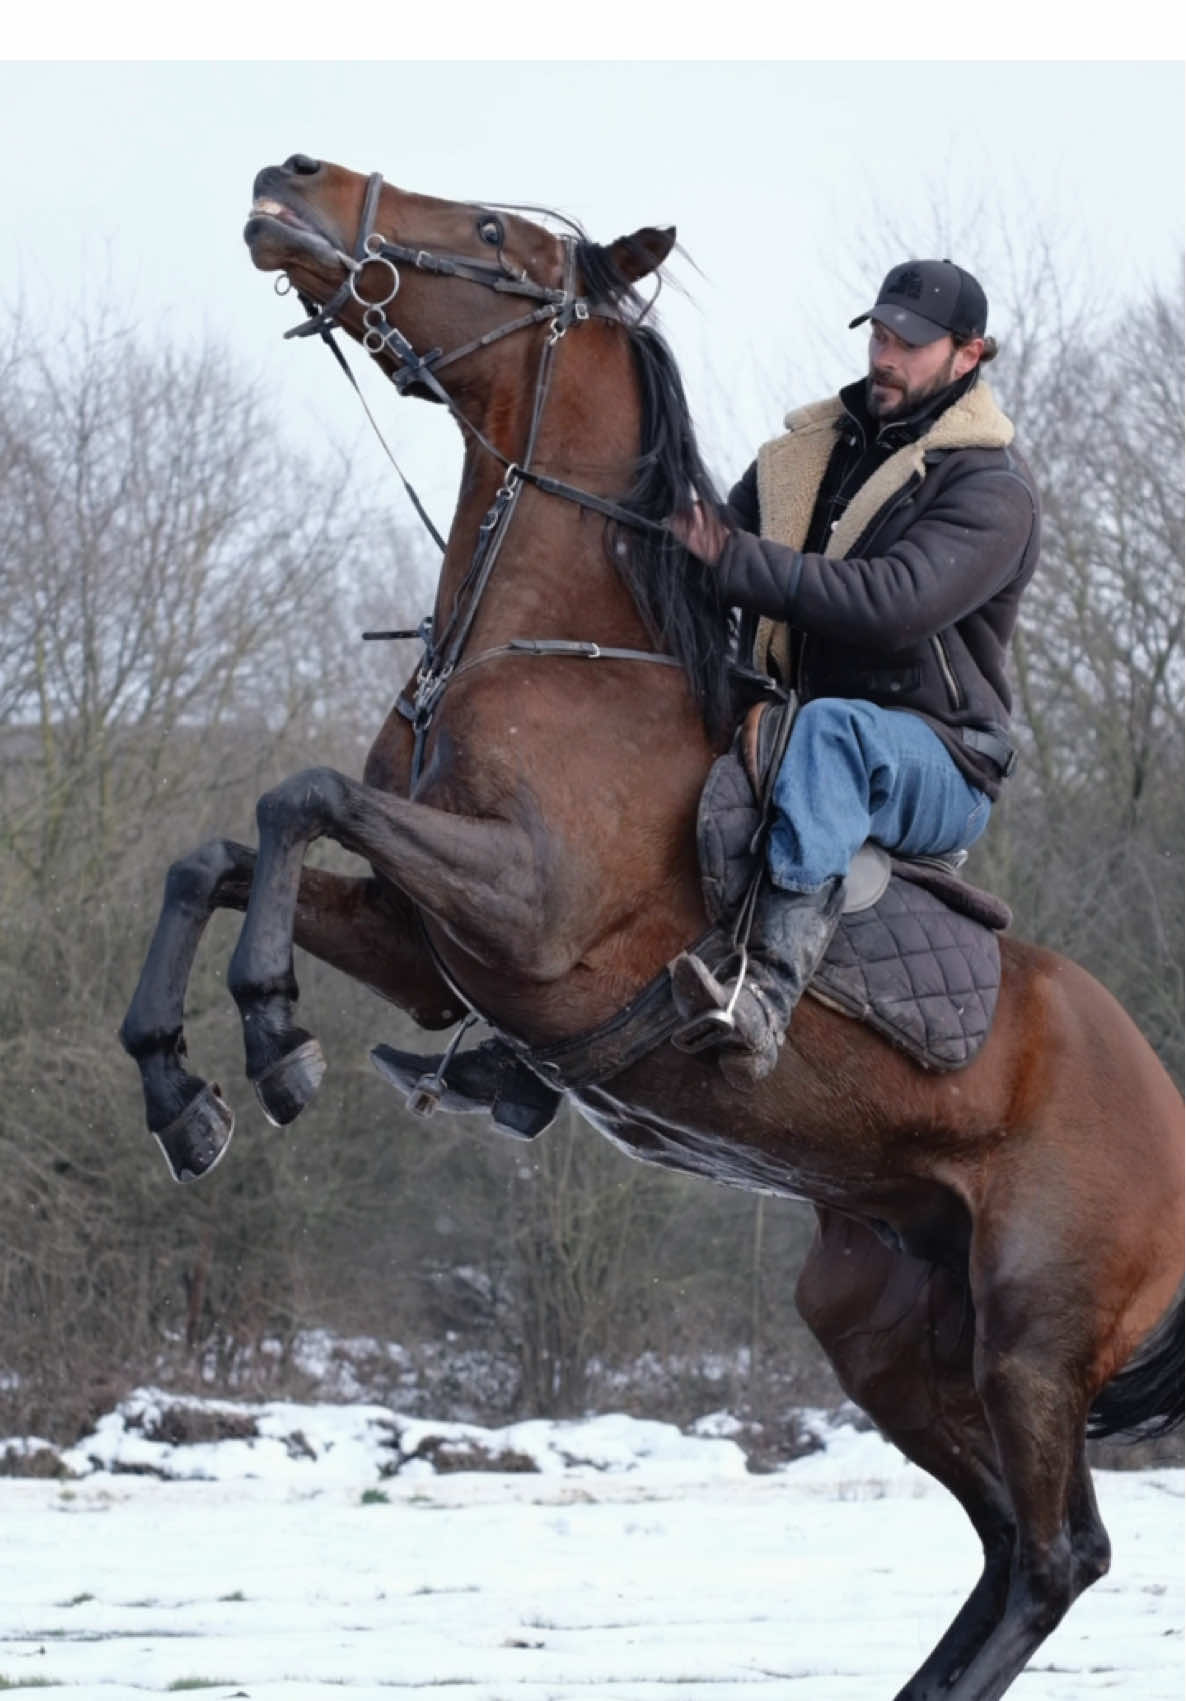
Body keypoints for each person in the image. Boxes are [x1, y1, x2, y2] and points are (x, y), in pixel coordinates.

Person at [668, 258, 1040, 1085]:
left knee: (835, 732)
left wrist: (732, 558)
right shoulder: (811, 456)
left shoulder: (993, 487)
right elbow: (712, 551)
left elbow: (892, 604)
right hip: (802, 718)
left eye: (909, 343)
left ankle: (764, 992)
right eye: (878, 334)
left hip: (942, 760)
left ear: (968, 355)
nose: (885, 355)